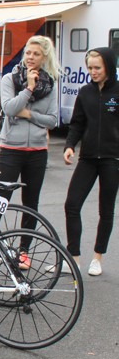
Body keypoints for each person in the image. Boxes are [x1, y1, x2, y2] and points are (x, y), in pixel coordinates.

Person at [0, 35, 59, 272]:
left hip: (37, 150)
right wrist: (28, 89)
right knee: (0, 199)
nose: (31, 57)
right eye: (28, 53)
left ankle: (24, 251)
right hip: (11, 148)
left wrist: (29, 115)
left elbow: (53, 121)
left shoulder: (51, 83)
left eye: (36, 54)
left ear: (44, 57)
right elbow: (9, 108)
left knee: (30, 202)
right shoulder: (9, 79)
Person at [63, 47, 119, 276]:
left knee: (106, 210)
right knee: (72, 204)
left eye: (97, 68)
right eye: (90, 68)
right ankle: (73, 257)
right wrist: (69, 145)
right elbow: (77, 123)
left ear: (108, 67)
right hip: (87, 158)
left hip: (112, 159)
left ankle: (97, 257)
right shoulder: (85, 92)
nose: (93, 72)